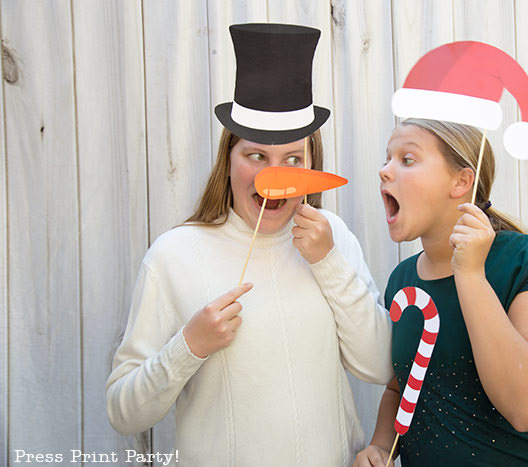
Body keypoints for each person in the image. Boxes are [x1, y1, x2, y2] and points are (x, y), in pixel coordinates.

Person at [106, 23, 392, 466]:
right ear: (229, 160)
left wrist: (328, 261)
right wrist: (190, 345)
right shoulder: (173, 254)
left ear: (312, 165)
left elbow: (379, 366)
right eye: (256, 156)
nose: (273, 178)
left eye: (292, 159)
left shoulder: (332, 236)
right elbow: (124, 413)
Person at [354, 118, 528, 466]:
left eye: (407, 159)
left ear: (461, 181)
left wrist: (470, 275)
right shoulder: (402, 280)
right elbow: (402, 387)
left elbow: (527, 407)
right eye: (387, 159)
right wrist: (382, 445)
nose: (384, 171)